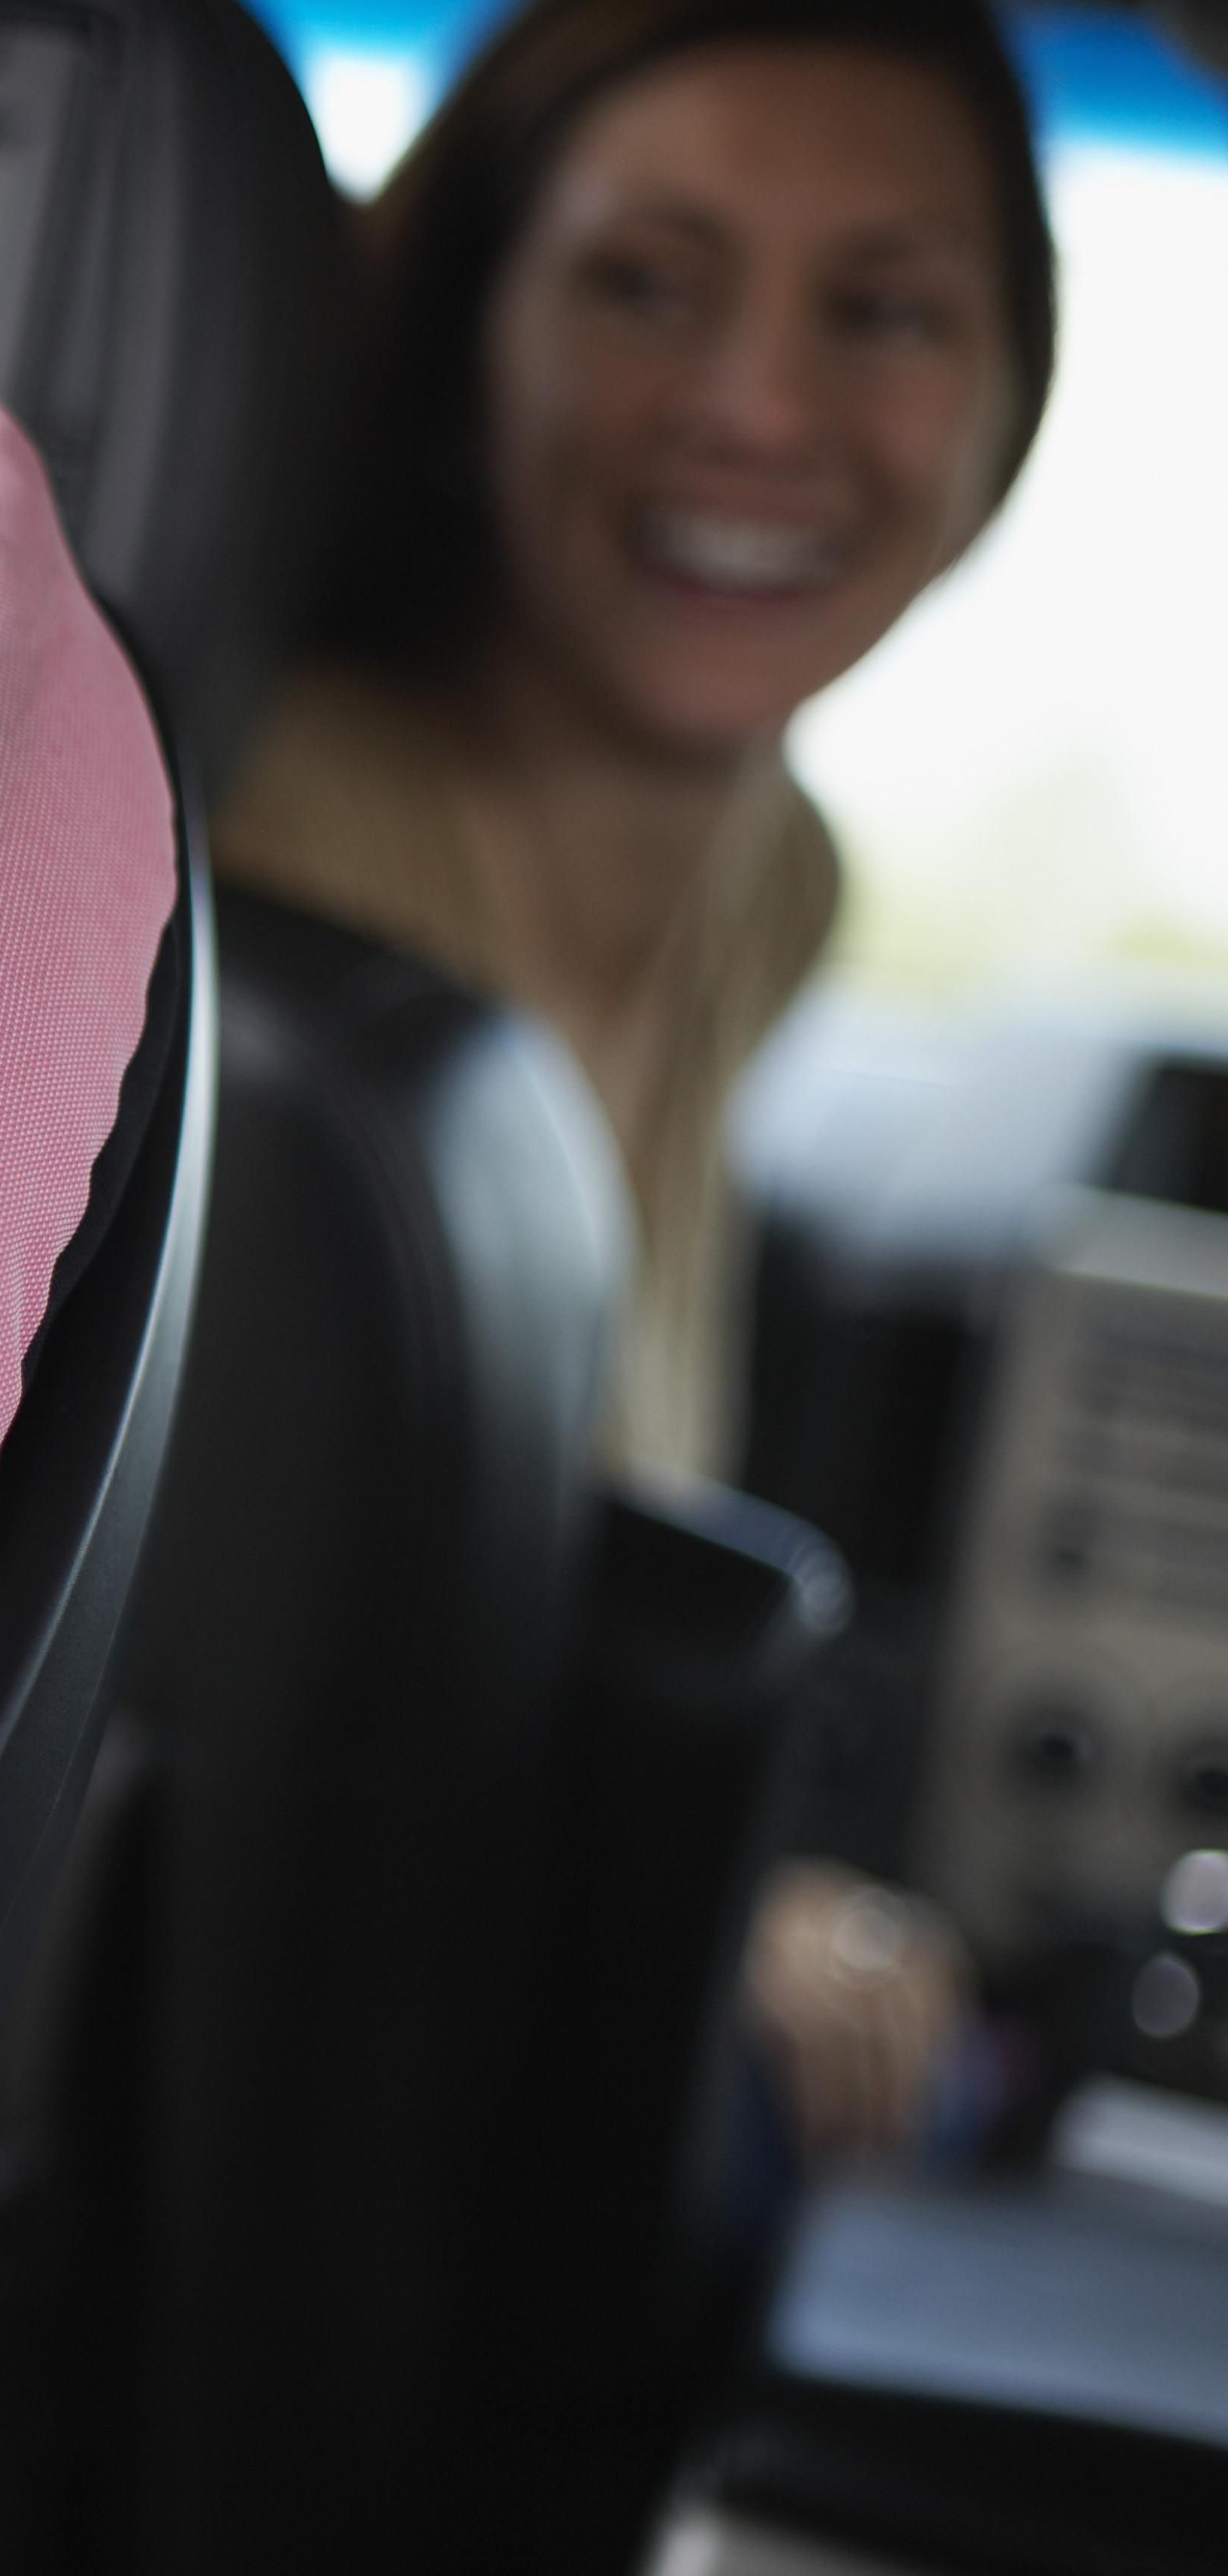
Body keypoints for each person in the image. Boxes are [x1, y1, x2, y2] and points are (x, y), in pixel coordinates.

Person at [215, 0, 1050, 2167]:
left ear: (1006, 406)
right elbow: (282, 1767)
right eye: (643, 284)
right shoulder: (269, 896)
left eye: (885, 312)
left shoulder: (781, 889)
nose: (764, 404)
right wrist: (712, 1918)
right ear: (473, 333)